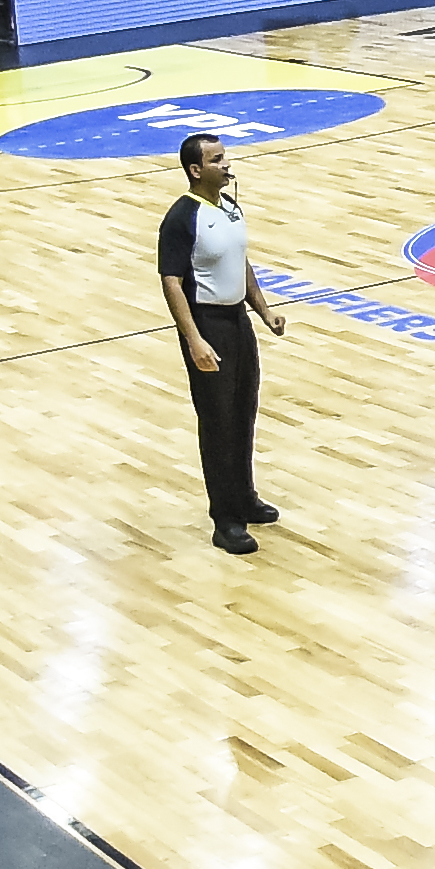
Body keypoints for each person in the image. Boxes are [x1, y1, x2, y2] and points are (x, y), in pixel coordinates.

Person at [157, 128, 281, 556]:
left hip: (238, 321)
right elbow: (171, 281)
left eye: (224, 157)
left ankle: (244, 496)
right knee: (218, 420)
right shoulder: (181, 218)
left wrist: (263, 311)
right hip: (208, 324)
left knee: (244, 410)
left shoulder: (229, 207)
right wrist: (194, 340)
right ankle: (224, 518)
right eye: (216, 160)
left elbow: (239, 260)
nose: (226, 164)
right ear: (196, 170)